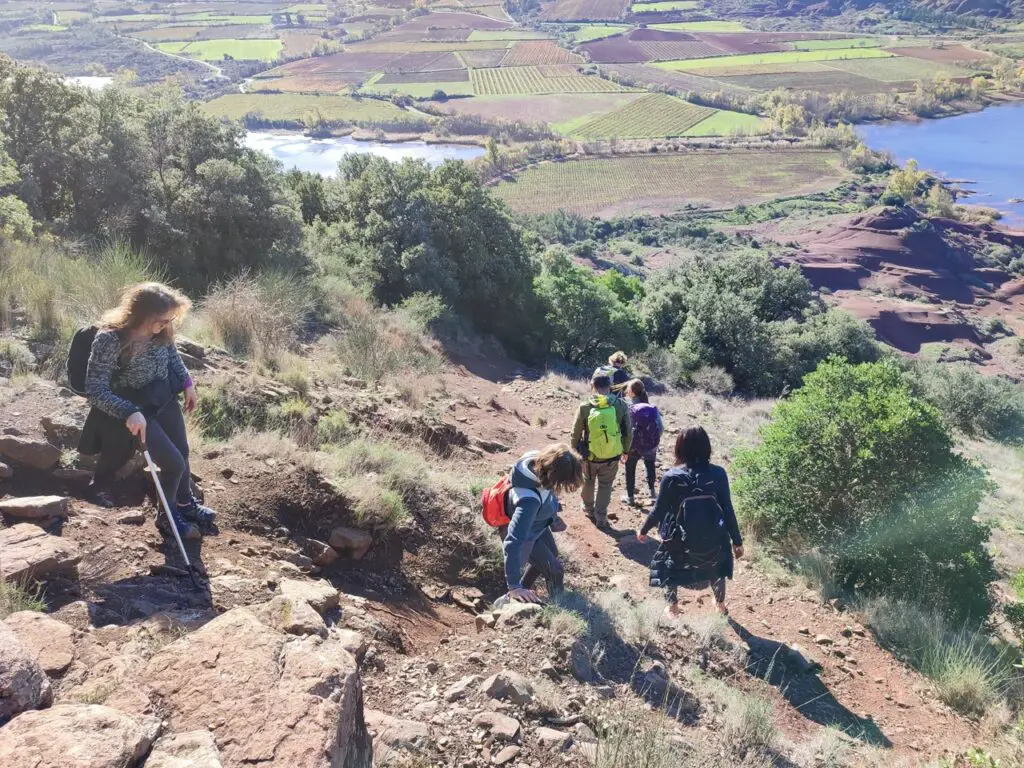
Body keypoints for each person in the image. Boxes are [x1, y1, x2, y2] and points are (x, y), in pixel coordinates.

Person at [79, 282, 215, 541]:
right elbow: (95, 389)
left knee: (182, 452)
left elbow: (172, 354)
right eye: (163, 320)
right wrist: (128, 411)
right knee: (173, 463)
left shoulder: (161, 332)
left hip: (162, 397)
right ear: (143, 315)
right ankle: (167, 517)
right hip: (135, 408)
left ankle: (185, 504)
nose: (168, 325)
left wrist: (188, 383)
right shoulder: (109, 339)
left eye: (171, 319)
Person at [636, 426, 743, 618]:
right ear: (706, 448)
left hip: (681, 540)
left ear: (680, 448)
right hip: (714, 538)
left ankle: (673, 608)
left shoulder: (671, 477)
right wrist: (737, 541)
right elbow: (727, 509)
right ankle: (720, 605)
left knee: (668, 566)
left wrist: (643, 530)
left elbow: (659, 510)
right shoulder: (718, 474)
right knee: (717, 567)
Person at [500, 443, 584, 604]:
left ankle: (523, 589)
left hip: (538, 526)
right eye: (562, 483)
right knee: (555, 570)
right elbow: (513, 541)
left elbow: (546, 493)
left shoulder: (535, 459)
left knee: (552, 556)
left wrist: (553, 512)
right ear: (554, 476)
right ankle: (557, 607)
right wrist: (513, 586)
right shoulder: (529, 502)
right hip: (527, 533)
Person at [571, 371, 632, 530]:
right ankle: (601, 516)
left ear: (593, 386)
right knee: (606, 485)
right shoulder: (620, 405)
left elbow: (575, 433)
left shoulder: (585, 406)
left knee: (588, 481)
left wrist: (574, 452)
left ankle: (588, 509)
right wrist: (625, 451)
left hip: (590, 456)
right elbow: (628, 432)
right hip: (612, 455)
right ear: (610, 387)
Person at [621, 379, 663, 507]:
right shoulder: (652, 408)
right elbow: (660, 428)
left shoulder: (629, 409)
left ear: (632, 393)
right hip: (651, 445)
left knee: (630, 469)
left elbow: (625, 430)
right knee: (650, 465)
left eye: (628, 389)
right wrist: (653, 441)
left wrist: (624, 447)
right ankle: (652, 491)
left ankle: (630, 497)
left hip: (634, 446)